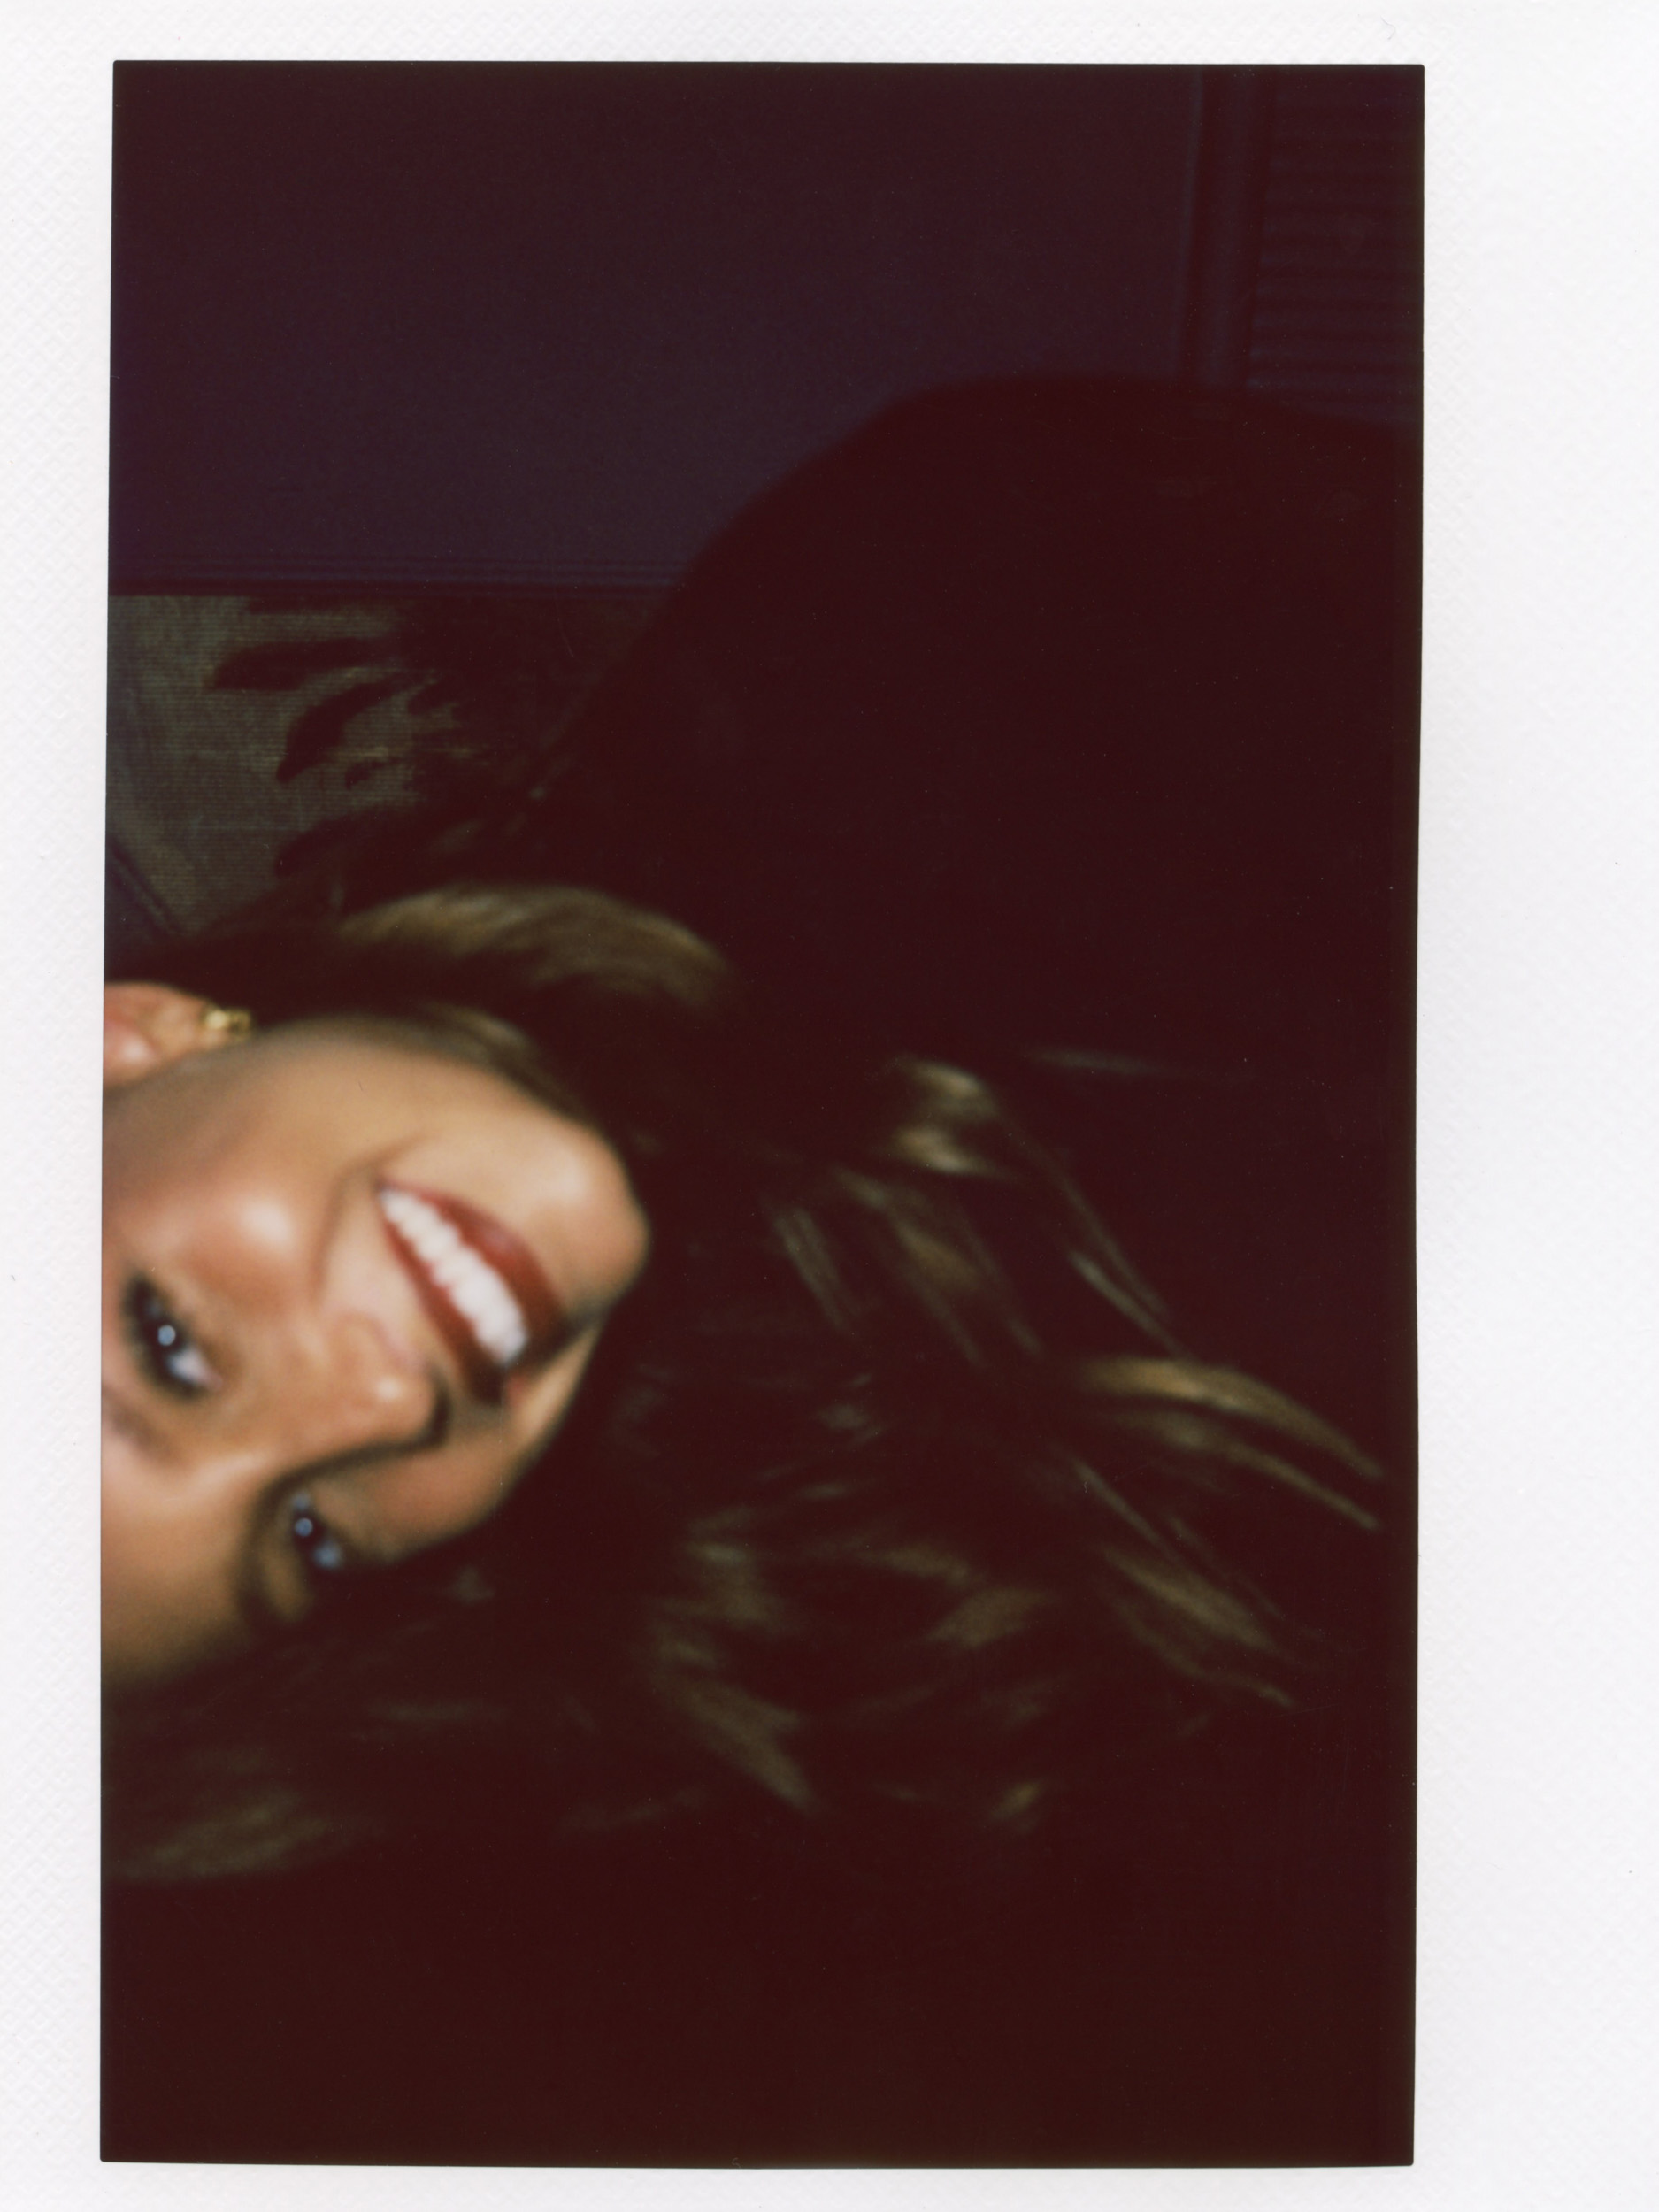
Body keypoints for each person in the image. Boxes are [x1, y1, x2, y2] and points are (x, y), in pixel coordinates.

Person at [103, 379, 1413, 2159]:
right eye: (312, 1539)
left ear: (119, 1045)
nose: (388, 1411)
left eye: (170, 1346)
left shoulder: (922, 589)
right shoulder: (859, 1684)